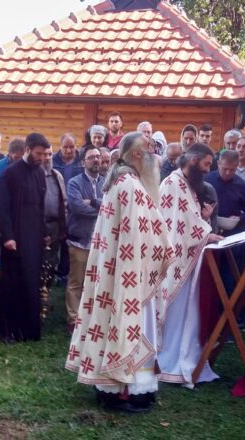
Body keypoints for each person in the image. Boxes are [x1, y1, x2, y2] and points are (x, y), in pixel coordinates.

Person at [65, 132, 172, 413]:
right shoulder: (130, 186)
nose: (155, 156)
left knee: (116, 325)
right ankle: (126, 391)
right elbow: (140, 235)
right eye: (150, 150)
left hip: (119, 272)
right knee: (131, 327)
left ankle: (125, 388)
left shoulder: (120, 181)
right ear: (137, 154)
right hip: (130, 274)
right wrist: (165, 247)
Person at [158, 143, 224, 387]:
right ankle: (169, 362)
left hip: (188, 258)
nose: (208, 170)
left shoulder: (186, 184)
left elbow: (189, 219)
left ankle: (184, 356)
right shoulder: (172, 184)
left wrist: (204, 221)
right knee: (177, 313)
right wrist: (207, 234)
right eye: (206, 164)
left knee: (187, 312)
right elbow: (176, 225)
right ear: (194, 160)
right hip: (176, 261)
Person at [0, 133, 49, 343]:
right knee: (12, 283)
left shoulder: (40, 173)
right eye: (38, 153)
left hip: (33, 236)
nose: (42, 158)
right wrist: (8, 236)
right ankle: (8, 331)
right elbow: (3, 208)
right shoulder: (9, 174)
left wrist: (44, 232)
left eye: (44, 154)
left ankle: (28, 330)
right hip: (15, 236)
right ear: (27, 150)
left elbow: (41, 206)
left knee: (31, 281)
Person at [64, 147, 105, 333]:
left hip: (100, 243)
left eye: (98, 156)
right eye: (91, 157)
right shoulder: (74, 183)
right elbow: (77, 207)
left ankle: (91, 318)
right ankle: (73, 320)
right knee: (77, 282)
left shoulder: (106, 182)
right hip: (79, 241)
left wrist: (93, 201)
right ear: (83, 162)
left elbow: (112, 207)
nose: (96, 160)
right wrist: (101, 208)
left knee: (96, 282)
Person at [41, 144, 68, 319]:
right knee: (38, 265)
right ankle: (35, 301)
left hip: (55, 228)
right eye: (44, 154)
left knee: (51, 264)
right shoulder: (34, 175)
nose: (47, 158)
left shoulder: (57, 175)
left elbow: (64, 203)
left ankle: (46, 297)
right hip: (38, 228)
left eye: (50, 154)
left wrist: (64, 227)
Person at [205, 150, 245, 235]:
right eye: (225, 169)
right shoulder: (206, 180)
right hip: (208, 229)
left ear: (237, 166)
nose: (228, 173)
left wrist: (240, 218)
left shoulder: (242, 185)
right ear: (218, 163)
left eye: (232, 170)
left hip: (233, 231)